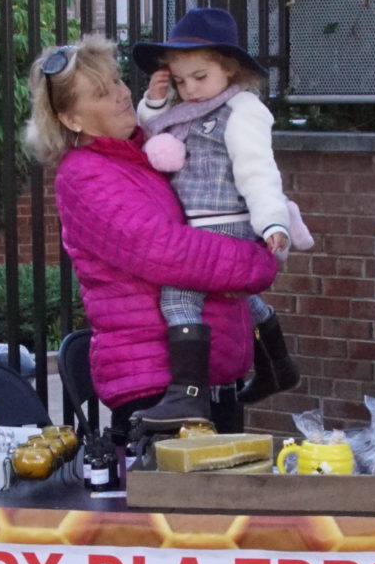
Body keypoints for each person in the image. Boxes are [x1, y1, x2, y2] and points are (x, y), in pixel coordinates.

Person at [28, 37, 282, 433]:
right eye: (102, 92)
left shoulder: (144, 155)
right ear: (70, 119)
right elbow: (166, 250)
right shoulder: (84, 176)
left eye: (117, 80)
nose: (121, 93)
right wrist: (258, 261)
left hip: (211, 376)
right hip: (157, 385)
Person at [131, 7, 310, 426]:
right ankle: (277, 365)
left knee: (179, 297)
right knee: (236, 294)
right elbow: (156, 126)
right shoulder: (192, 108)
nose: (189, 89)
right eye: (180, 80)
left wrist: (272, 221)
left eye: (200, 77)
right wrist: (156, 100)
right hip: (203, 223)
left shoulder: (242, 109)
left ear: (229, 68)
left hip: (224, 221)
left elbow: (258, 170)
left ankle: (189, 395)